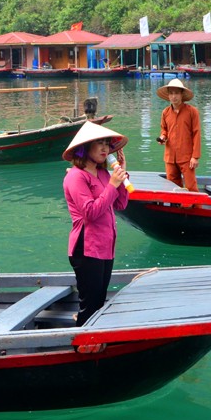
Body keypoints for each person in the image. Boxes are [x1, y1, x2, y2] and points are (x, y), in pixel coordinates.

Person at [62, 121, 129, 326]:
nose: (104, 148)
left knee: (100, 302)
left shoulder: (102, 173)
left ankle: (97, 343)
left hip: (105, 246)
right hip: (87, 247)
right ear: (85, 148)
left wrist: (122, 177)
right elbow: (90, 212)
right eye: (99, 143)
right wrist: (112, 185)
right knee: (89, 305)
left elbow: (120, 203)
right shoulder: (75, 177)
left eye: (107, 144)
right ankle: (82, 344)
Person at [156, 78, 201, 192]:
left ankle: (196, 209)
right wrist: (162, 138)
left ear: (182, 94)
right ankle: (177, 208)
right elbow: (164, 130)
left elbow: (196, 134)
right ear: (168, 95)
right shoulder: (165, 112)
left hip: (186, 157)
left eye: (176, 93)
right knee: (172, 187)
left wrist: (195, 157)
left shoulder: (192, 112)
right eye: (171, 93)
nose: (173, 96)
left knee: (191, 187)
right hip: (170, 157)